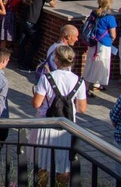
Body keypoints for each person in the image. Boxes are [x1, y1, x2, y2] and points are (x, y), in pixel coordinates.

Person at [32, 45, 87, 181]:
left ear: (56, 59)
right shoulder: (79, 81)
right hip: (67, 127)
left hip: (47, 124)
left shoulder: (47, 78)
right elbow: (82, 108)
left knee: (43, 164)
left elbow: (36, 104)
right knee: (64, 165)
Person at [19, 0, 58, 71]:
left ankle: (19, 61)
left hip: (25, 16)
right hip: (32, 20)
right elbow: (53, 4)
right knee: (36, 43)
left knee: (23, 41)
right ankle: (25, 65)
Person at [83, 0, 117, 97]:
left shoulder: (94, 13)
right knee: (100, 65)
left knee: (91, 64)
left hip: (93, 42)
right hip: (104, 44)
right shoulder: (110, 18)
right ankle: (89, 86)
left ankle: (93, 84)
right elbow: (113, 35)